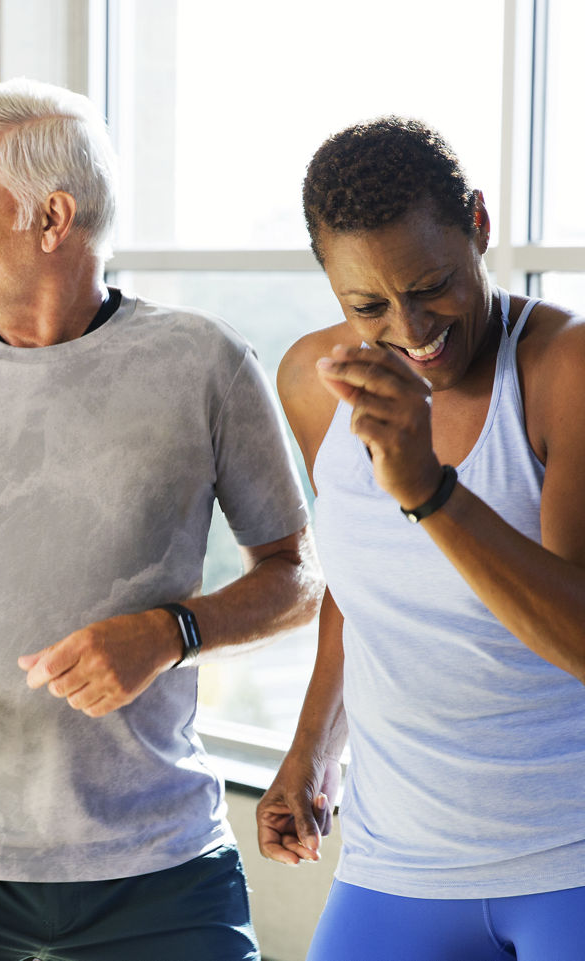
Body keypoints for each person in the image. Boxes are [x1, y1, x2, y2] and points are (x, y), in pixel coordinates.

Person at [0, 78, 322, 961]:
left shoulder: (203, 363)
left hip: (157, 862)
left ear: (51, 219)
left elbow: (298, 575)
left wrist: (175, 630)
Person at [255, 116, 585, 961]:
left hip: (572, 853)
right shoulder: (315, 382)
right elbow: (357, 584)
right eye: (368, 305)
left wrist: (429, 491)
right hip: (395, 860)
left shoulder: (564, 372)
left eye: (433, 285)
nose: (412, 330)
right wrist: (308, 750)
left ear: (478, 223)